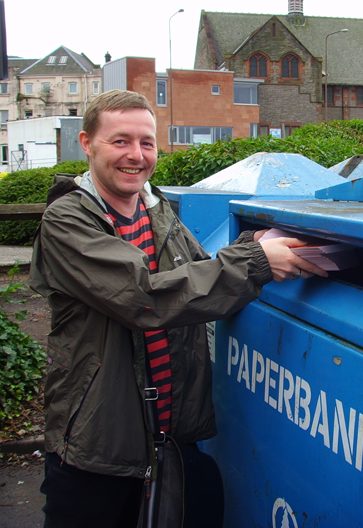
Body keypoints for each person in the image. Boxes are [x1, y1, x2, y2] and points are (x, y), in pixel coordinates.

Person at [29, 89, 327, 528]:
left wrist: (254, 245)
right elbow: (144, 298)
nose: (136, 155)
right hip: (99, 449)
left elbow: (201, 276)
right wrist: (257, 262)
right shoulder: (67, 221)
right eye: (121, 141)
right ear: (87, 144)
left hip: (169, 439)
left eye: (146, 142)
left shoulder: (158, 211)